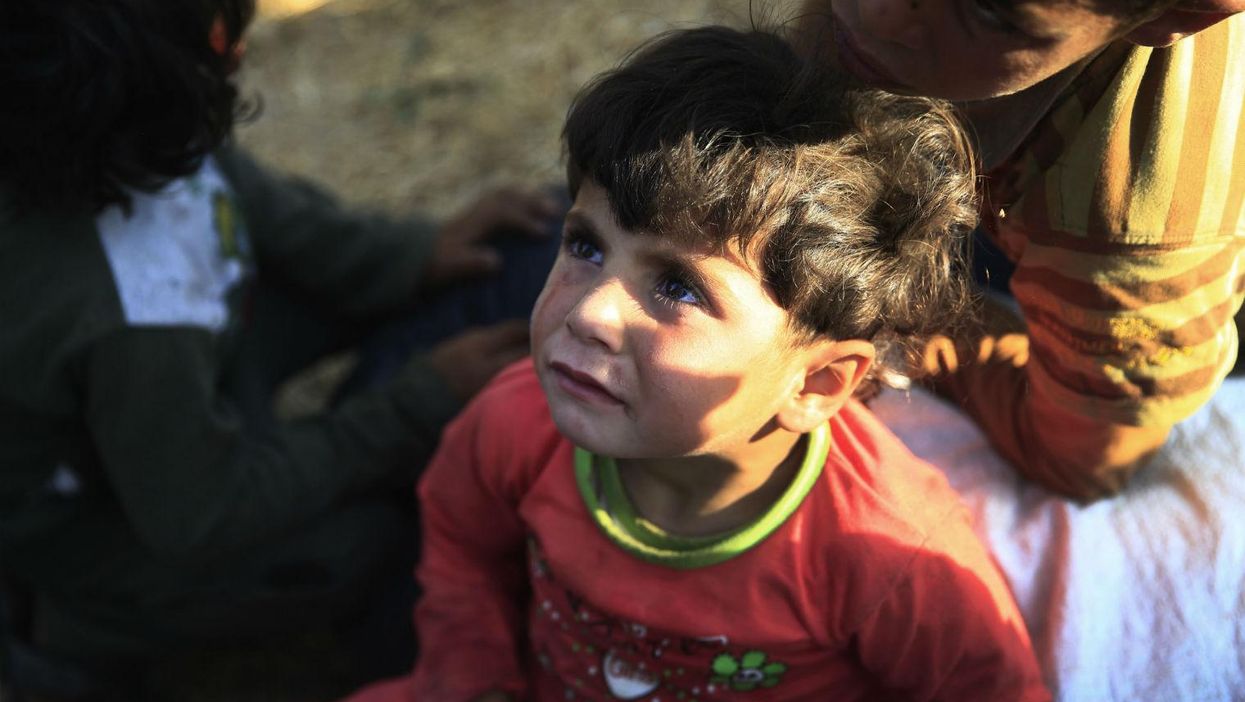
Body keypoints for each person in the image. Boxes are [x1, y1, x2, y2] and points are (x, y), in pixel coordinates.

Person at [344, 26, 1050, 702]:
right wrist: (473, 681)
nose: (588, 313)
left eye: (676, 286)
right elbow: (461, 541)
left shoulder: (893, 560)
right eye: (585, 245)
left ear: (814, 382)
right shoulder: (513, 417)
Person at [0, 0, 558, 688]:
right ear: (210, 52)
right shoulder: (133, 320)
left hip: (172, 383)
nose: (237, 42)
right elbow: (202, 515)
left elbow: (247, 201)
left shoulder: (98, 122)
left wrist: (413, 255)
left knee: (481, 259)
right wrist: (410, 408)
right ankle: (67, 627)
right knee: (364, 547)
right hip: (108, 507)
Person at [793, 0, 1245, 500]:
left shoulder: (1128, 242)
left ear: (1179, 16)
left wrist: (900, 321)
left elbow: (1079, 461)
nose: (873, 14)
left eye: (991, 15)